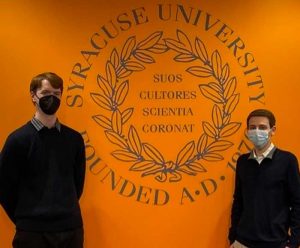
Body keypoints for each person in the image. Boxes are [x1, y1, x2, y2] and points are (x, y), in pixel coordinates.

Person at [0, 72, 86, 248]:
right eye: (46, 93)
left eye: (57, 94)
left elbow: (77, 184)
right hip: (32, 234)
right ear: (33, 95)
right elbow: (3, 186)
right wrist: (26, 217)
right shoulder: (18, 140)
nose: (52, 98)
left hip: (71, 230)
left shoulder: (74, 139)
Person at [228, 109, 300, 248]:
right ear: (247, 131)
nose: (256, 131)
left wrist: (294, 242)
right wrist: (233, 237)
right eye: (252, 127)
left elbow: (298, 203)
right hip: (242, 242)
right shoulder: (242, 161)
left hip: (276, 242)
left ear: (272, 130)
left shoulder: (288, 161)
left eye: (262, 127)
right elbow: (238, 201)